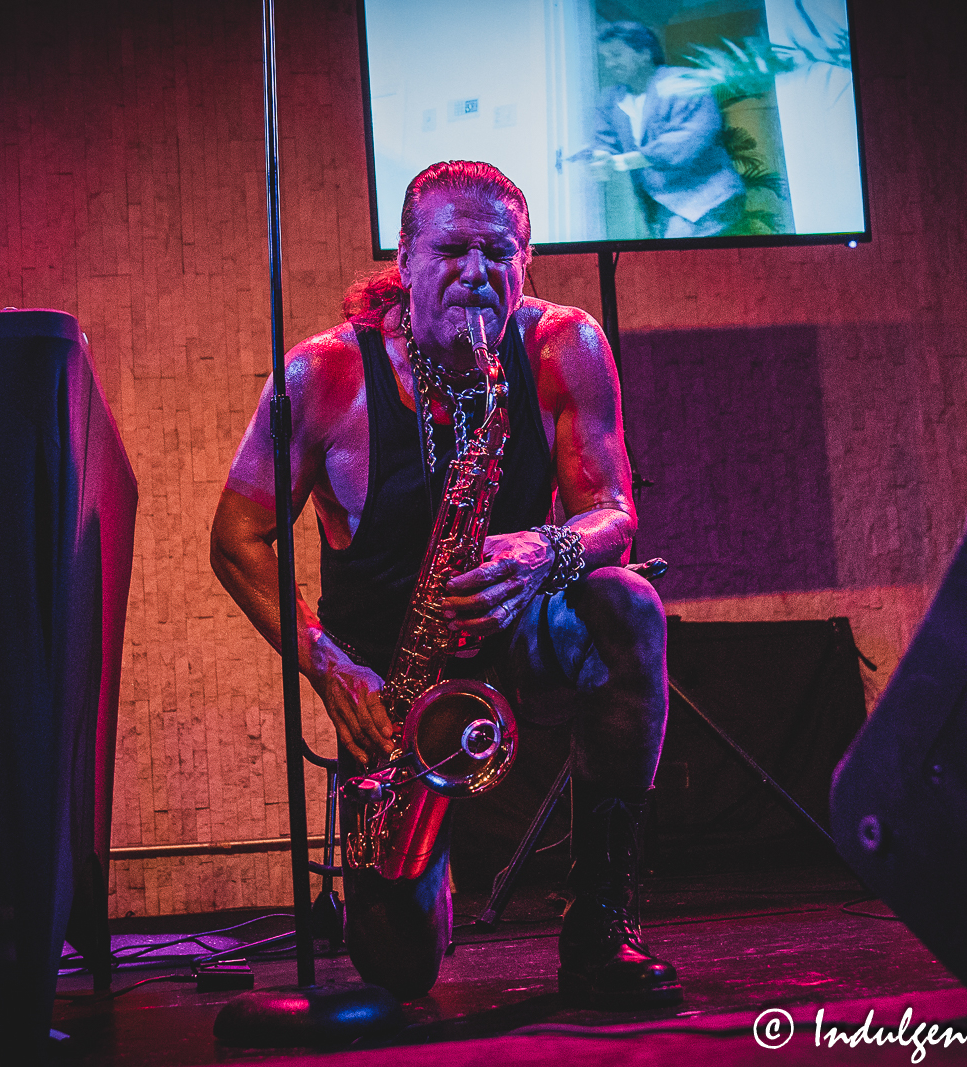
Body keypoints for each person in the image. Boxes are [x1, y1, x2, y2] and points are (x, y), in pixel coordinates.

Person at [210, 160, 680, 1007]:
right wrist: (326, 665)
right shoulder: (324, 376)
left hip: (518, 634)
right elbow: (237, 538)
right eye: (452, 249)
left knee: (629, 607)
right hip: (392, 685)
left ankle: (602, 922)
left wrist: (542, 551)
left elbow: (613, 512)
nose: (476, 273)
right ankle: (418, 867)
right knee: (402, 969)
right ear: (407, 256)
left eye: (499, 253)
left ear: (527, 260)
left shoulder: (561, 346)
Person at [590, 21, 744, 238]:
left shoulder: (683, 82)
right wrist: (601, 157)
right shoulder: (610, 99)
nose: (609, 64)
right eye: (605, 57)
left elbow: (690, 138)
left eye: (616, 55)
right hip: (663, 205)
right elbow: (604, 141)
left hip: (709, 197)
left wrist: (625, 161)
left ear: (644, 53)